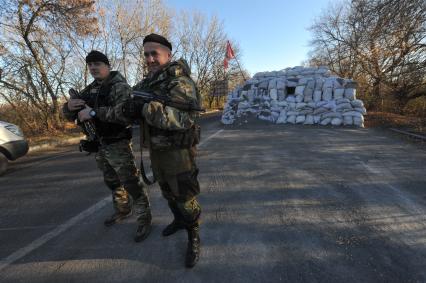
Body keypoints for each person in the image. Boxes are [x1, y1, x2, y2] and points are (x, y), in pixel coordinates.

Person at [121, 34, 202, 268]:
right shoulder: (149, 82)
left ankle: (193, 235)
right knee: (167, 192)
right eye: (146, 54)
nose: (149, 58)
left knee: (185, 198)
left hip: (178, 153)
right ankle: (178, 221)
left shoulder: (180, 83)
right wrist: (129, 107)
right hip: (157, 150)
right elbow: (131, 100)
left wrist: (146, 108)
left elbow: (184, 119)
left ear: (168, 54)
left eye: (154, 53)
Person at [63, 50, 152, 242]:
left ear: (107, 66)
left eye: (97, 64)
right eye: (90, 65)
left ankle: (144, 219)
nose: (93, 68)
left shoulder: (119, 86)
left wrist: (94, 113)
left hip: (117, 142)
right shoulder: (91, 89)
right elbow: (74, 112)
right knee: (112, 181)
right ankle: (122, 210)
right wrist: (68, 108)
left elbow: (126, 114)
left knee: (131, 183)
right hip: (99, 144)